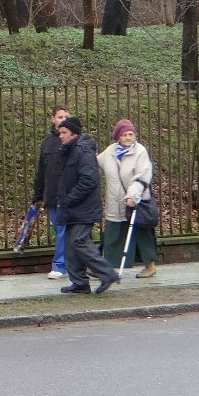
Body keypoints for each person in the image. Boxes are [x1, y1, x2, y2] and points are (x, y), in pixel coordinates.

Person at [54, 117, 120, 295]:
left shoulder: (83, 151)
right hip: (73, 208)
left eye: (64, 133)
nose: (60, 136)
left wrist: (69, 199)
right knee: (70, 245)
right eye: (59, 132)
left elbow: (89, 180)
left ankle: (107, 273)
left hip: (83, 207)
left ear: (74, 133)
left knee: (79, 241)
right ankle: (80, 283)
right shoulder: (69, 150)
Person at [97, 119, 159, 278]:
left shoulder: (140, 152)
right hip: (115, 200)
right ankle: (106, 268)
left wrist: (132, 195)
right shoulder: (109, 152)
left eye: (131, 134)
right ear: (118, 137)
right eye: (124, 135)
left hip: (136, 200)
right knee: (113, 234)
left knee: (141, 232)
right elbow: (94, 164)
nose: (128, 137)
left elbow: (143, 176)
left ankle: (150, 266)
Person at [32, 105, 70, 279]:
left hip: (67, 194)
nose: (63, 120)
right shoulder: (47, 141)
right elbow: (41, 171)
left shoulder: (72, 140)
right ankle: (72, 263)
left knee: (63, 229)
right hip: (51, 194)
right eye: (60, 117)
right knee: (60, 230)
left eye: (66, 116)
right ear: (53, 119)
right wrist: (38, 195)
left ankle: (59, 265)